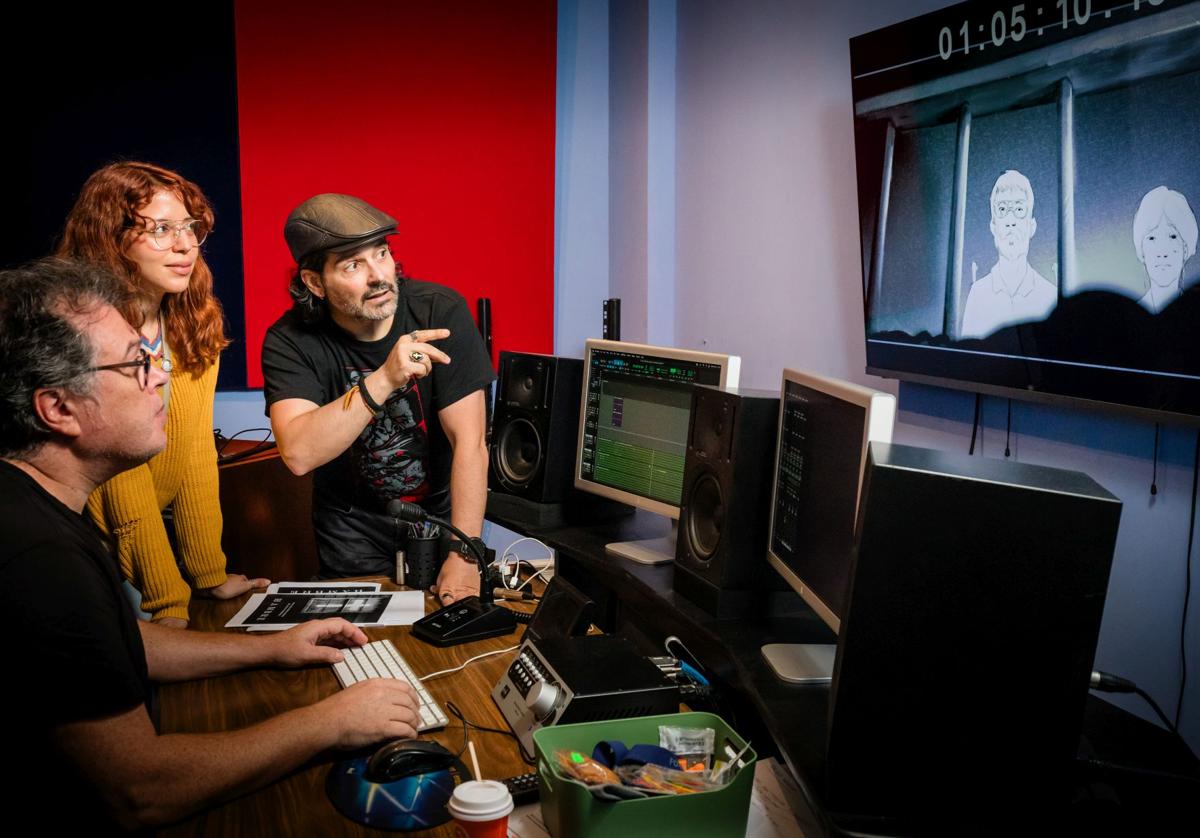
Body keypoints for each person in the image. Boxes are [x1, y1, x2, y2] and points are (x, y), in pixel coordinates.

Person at [0, 258, 419, 831]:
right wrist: (331, 721)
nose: (162, 375)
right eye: (136, 363)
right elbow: (141, 787)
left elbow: (112, 644)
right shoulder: (37, 559)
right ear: (58, 409)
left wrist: (270, 648)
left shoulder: (33, 506)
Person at [57, 161, 266, 627]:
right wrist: (168, 598)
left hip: (146, 546)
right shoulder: (90, 334)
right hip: (83, 547)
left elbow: (195, 453)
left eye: (190, 228)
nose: (184, 245)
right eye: (161, 230)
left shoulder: (192, 323)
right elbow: (119, 478)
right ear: (110, 238)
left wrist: (208, 571)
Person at [262, 194, 494, 605]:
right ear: (315, 282)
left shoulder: (440, 311)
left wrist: (465, 553)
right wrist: (385, 378)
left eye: (382, 255)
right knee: (359, 649)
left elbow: (470, 444)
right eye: (353, 264)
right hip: (351, 528)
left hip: (442, 519)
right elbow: (298, 453)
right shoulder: (289, 341)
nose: (378, 276)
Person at [961, 170, 1057, 339]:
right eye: (1003, 209)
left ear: (1031, 226)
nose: (1010, 221)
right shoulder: (978, 293)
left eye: (1019, 209)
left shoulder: (1050, 296)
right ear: (993, 225)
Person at [1132, 185, 1197, 313]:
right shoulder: (1130, 318)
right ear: (1142, 251)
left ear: (1185, 248)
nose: (1162, 252)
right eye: (1151, 238)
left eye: (1173, 236)